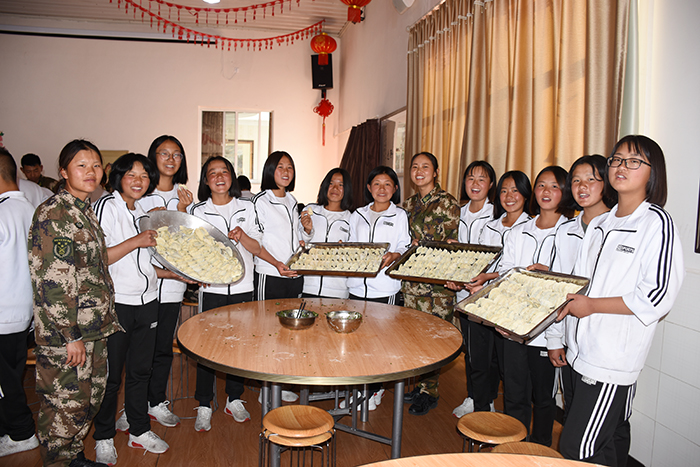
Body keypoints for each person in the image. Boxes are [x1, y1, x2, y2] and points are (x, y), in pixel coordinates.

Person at [557, 136, 684, 466]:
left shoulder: (656, 223)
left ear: (653, 172)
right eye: (616, 159)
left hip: (609, 362)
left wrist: (592, 306)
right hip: (578, 352)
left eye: (634, 161)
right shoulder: (600, 224)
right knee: (607, 443)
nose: (621, 166)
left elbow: (657, 295)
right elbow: (578, 285)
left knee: (576, 449)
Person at [92, 154, 191, 465]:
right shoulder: (107, 206)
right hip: (118, 303)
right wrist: (136, 240)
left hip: (148, 301)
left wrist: (173, 274)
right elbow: (99, 257)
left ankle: (138, 429)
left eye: (144, 176)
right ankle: (104, 436)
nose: (138, 181)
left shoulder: (142, 212)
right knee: (111, 377)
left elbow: (144, 265)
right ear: (118, 177)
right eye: (131, 174)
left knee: (140, 371)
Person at [28, 139, 120, 467]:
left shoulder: (84, 210)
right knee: (64, 405)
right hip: (67, 335)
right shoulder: (55, 213)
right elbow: (52, 283)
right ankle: (58, 461)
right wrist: (71, 335)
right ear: (64, 172)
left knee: (87, 401)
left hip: (93, 327)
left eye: (95, 165)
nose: (90, 171)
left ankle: (73, 456)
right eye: (81, 165)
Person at [498, 165, 573, 446]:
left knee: (543, 399)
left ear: (565, 191)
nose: (546, 191)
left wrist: (555, 339)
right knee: (514, 394)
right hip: (514, 328)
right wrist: (502, 319)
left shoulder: (572, 233)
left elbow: (571, 286)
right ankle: (512, 448)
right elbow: (505, 275)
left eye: (555, 186)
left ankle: (539, 451)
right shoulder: (519, 232)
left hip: (547, 334)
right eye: (541, 185)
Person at [189, 156, 265, 431]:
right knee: (206, 347)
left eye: (224, 171)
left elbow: (257, 248)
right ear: (205, 180)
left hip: (243, 287)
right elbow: (190, 251)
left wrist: (243, 236)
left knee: (239, 345)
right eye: (213, 173)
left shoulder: (248, 206)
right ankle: (204, 403)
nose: (219, 177)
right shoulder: (197, 211)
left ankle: (234, 398)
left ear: (232, 176)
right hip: (212, 289)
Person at [451, 171, 533, 418]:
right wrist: (463, 277)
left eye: (515, 190)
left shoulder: (531, 227)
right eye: (505, 191)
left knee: (505, 366)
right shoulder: (491, 226)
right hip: (481, 303)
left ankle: (504, 418)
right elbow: (480, 262)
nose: (509, 196)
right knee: (478, 360)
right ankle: (480, 409)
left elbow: (520, 271)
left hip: (511, 310)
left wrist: (487, 278)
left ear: (526, 195)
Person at [137, 135, 194, 429]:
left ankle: (156, 401)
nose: (171, 159)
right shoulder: (140, 195)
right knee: (139, 352)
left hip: (172, 286)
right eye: (164, 153)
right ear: (153, 156)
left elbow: (189, 244)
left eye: (177, 154)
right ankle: (134, 407)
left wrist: (181, 211)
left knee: (162, 349)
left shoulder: (185, 198)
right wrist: (148, 217)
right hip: (141, 286)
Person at [400, 152, 460, 416]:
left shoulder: (447, 203)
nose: (419, 171)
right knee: (414, 338)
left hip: (437, 286)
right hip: (412, 284)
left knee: (434, 339)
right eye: (415, 166)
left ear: (435, 172)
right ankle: (421, 385)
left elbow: (449, 243)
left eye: (425, 166)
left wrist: (420, 244)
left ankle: (430, 392)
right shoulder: (407, 204)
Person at [450, 161, 498, 419]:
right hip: (462, 294)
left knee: (484, 355)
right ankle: (476, 396)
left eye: (482, 179)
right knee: (472, 352)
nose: (475, 184)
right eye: (471, 178)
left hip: (487, 295)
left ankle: (484, 402)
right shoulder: (457, 212)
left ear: (491, 184)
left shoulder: (496, 214)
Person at [0, 148, 39, 459]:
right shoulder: (32, 210)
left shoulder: (3, 212)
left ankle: (21, 433)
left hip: (3, 312)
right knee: (11, 375)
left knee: (6, 382)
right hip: (22, 312)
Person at [348, 166, 411, 303]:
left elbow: (405, 246)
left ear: (395, 188)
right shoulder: (357, 214)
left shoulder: (400, 215)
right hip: (356, 288)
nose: (382, 189)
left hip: (385, 289)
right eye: (377, 184)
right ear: (369, 188)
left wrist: (395, 255)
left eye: (387, 184)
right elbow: (351, 243)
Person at [251, 151, 305, 301]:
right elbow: (255, 242)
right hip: (270, 274)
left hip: (295, 274)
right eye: (280, 167)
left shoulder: (292, 201)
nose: (286, 172)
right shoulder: (261, 201)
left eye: (289, 167)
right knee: (266, 316)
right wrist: (276, 264)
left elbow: (293, 235)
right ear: (270, 170)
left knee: (293, 315)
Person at [300, 168, 354, 299]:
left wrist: (346, 249)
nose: (335, 188)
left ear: (347, 189)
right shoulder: (310, 211)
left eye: (340, 185)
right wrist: (307, 231)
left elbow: (356, 255)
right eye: (331, 183)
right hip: (308, 287)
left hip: (338, 290)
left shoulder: (352, 219)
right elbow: (297, 243)